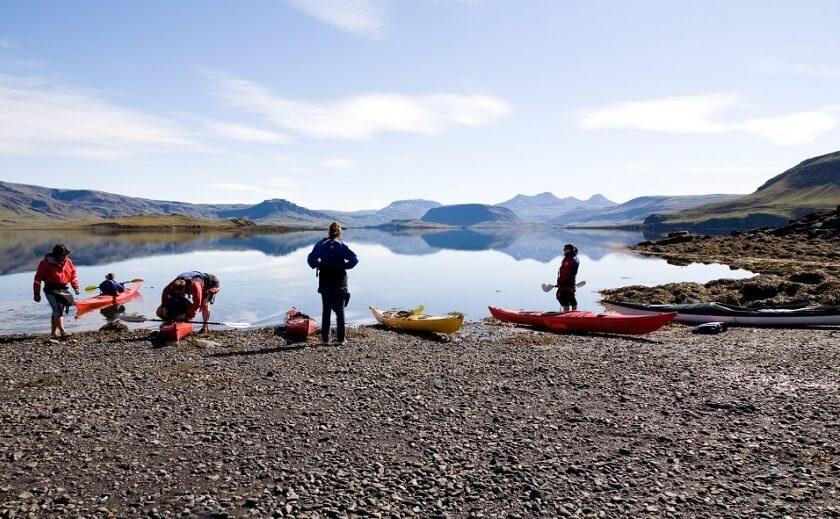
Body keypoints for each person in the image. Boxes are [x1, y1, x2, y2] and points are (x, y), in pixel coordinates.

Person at [307, 222, 358, 345]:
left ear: (328, 231)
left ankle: (326, 339)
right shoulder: (341, 245)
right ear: (339, 232)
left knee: (326, 310)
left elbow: (310, 259)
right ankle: (341, 339)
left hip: (325, 282)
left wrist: (319, 265)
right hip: (340, 282)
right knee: (340, 311)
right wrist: (343, 266)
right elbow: (354, 260)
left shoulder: (321, 244)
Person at [33, 244, 80, 340]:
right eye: (63, 255)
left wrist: (76, 287)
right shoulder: (45, 263)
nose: (65, 257)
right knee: (57, 309)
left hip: (63, 289)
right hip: (50, 289)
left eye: (66, 254)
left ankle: (53, 333)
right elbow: (37, 279)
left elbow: (73, 275)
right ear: (56, 255)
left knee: (58, 310)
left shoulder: (68, 262)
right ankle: (62, 331)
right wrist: (36, 294)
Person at [556, 243, 580, 312]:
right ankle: (573, 314)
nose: (564, 251)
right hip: (570, 283)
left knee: (562, 298)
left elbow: (566, 272)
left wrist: (560, 282)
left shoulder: (569, 260)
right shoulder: (571, 259)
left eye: (565, 250)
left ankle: (567, 315)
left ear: (569, 250)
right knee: (571, 299)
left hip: (566, 283)